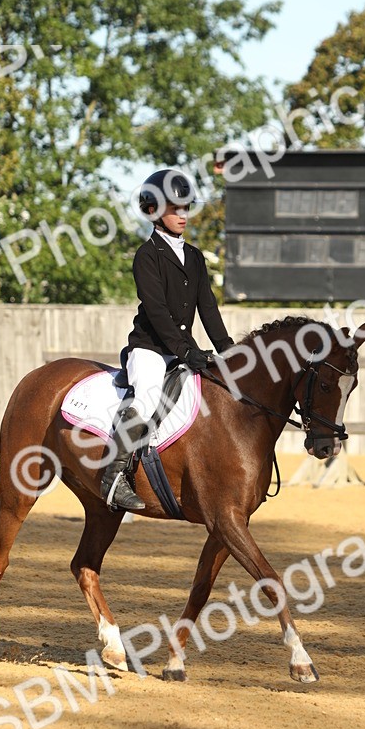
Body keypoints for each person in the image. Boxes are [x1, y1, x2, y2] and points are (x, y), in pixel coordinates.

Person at [100, 169, 234, 511]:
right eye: (175, 209)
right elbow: (157, 311)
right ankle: (113, 476)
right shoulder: (147, 256)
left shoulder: (195, 257)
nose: (183, 215)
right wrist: (186, 350)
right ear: (153, 211)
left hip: (181, 351)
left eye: (185, 207)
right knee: (146, 397)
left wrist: (228, 349)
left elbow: (208, 307)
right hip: (150, 349)